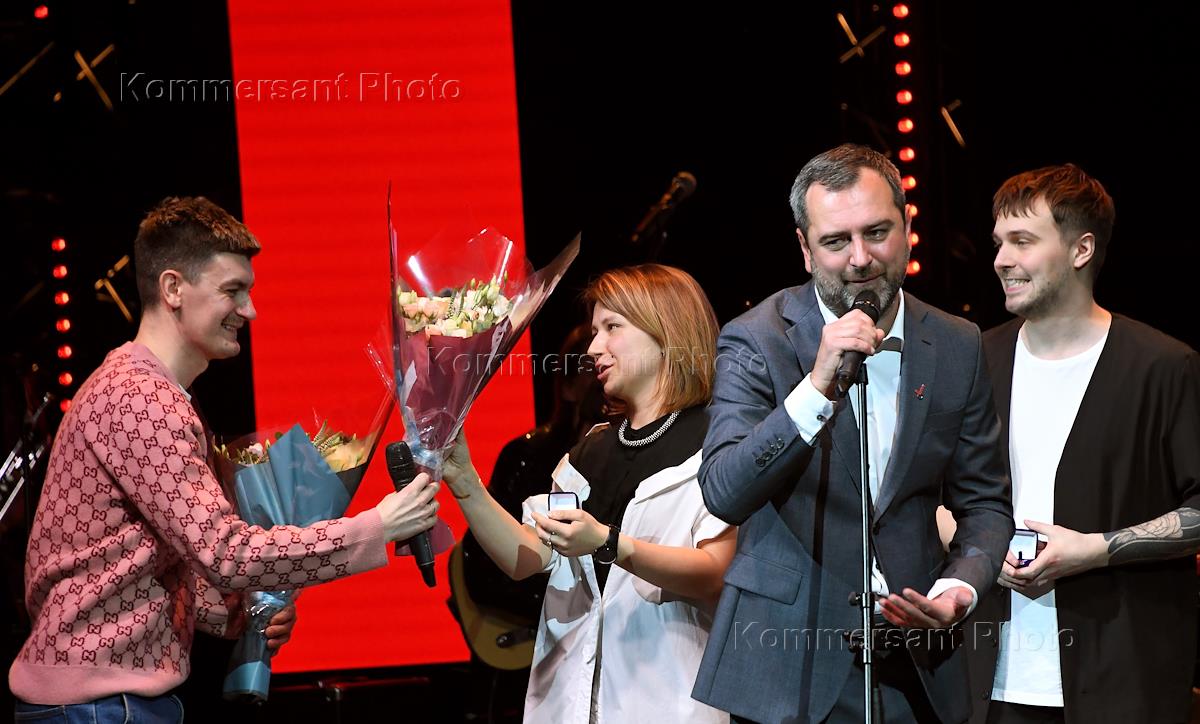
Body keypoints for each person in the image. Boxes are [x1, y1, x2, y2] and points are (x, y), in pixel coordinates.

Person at [8, 197, 441, 721]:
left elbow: (140, 563)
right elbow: (225, 553)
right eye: (232, 291)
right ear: (173, 289)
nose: (249, 310)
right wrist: (378, 527)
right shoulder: (140, 398)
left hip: (106, 702)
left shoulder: (147, 390)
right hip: (99, 708)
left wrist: (240, 612)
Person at [690, 144, 1013, 724]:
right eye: (836, 241)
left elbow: (985, 504)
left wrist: (959, 589)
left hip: (916, 662)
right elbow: (724, 492)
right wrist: (815, 388)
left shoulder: (957, 343)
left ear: (908, 228)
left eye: (877, 232)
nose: (861, 259)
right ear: (805, 248)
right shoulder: (755, 340)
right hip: (787, 669)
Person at [956, 164, 1200, 724]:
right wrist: (981, 546)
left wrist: (1094, 549)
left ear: (1081, 249)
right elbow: (932, 495)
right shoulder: (976, 359)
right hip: (987, 679)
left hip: (1122, 679)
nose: (1001, 259)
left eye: (1022, 241)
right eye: (999, 242)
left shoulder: (1163, 367)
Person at [441, 264, 737, 723]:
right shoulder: (591, 449)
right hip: (572, 705)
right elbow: (528, 558)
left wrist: (609, 543)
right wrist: (466, 484)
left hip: (665, 704)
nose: (594, 347)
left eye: (612, 328)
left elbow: (714, 573)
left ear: (665, 331)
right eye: (595, 331)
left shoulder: (718, 443)